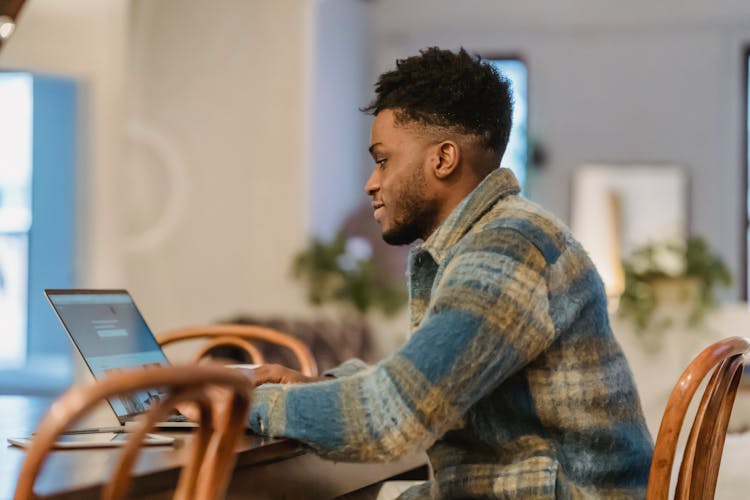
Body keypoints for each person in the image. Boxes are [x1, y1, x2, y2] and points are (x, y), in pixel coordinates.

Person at [249, 47, 654, 498]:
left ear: (443, 159)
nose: (371, 182)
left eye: (383, 160)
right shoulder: (494, 237)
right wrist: (321, 388)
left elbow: (391, 418)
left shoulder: (507, 249)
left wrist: (238, 404)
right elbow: (424, 386)